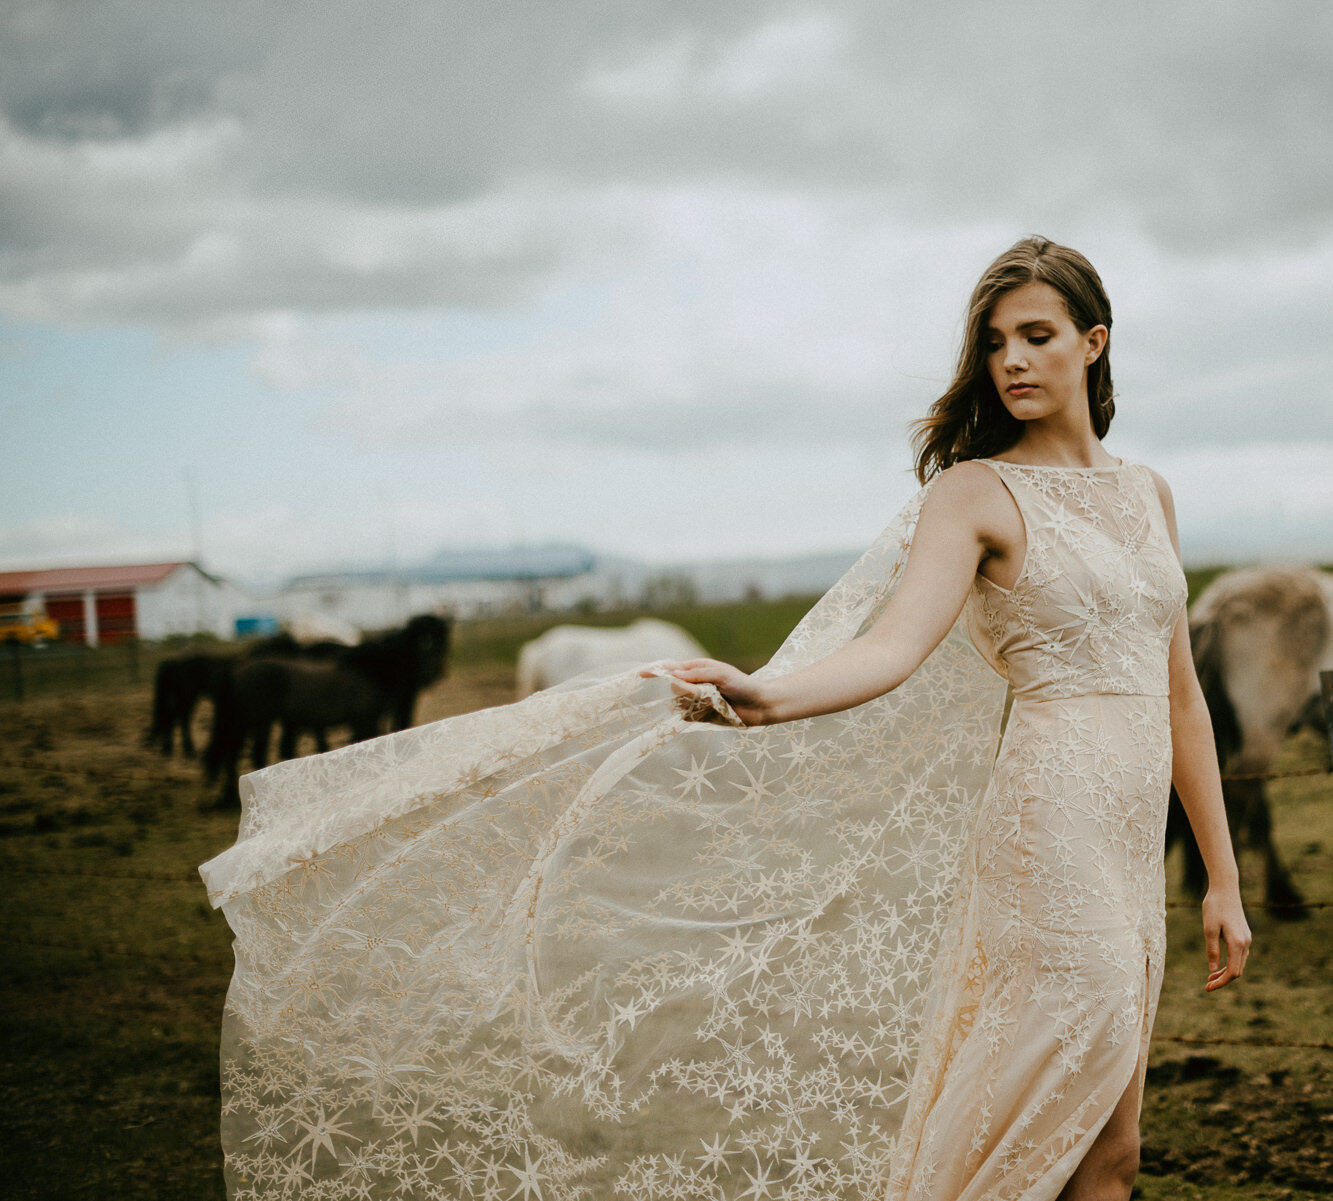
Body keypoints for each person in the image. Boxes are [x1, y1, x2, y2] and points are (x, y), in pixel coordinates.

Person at [198, 236, 1248, 1201]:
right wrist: (766, 696)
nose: (1012, 360)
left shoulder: (1148, 494)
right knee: (1049, 1133)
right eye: (994, 342)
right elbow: (890, 647)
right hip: (1048, 829)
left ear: (1093, 341)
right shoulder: (973, 494)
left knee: (1112, 1152)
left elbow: (1181, 697)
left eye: (1036, 335)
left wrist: (1223, 880)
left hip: (1125, 855)